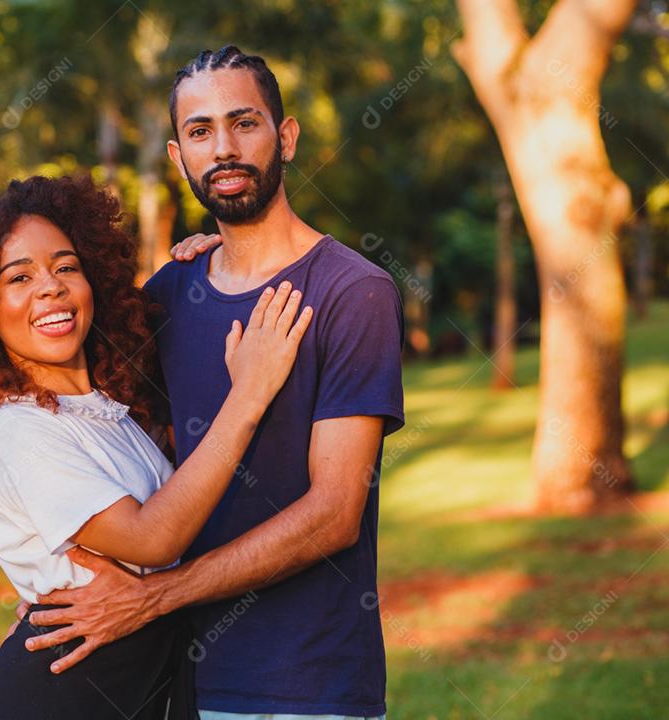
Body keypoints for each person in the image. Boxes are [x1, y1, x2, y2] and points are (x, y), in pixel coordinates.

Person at [22, 46, 405, 720]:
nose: (223, 148)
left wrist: (156, 596)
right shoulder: (167, 295)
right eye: (200, 132)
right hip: (175, 679)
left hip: (307, 686)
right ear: (179, 158)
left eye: (244, 123)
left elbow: (335, 514)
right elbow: (120, 450)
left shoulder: (352, 292)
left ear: (286, 137)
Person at [0, 173, 313, 719]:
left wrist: (215, 257)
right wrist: (249, 394)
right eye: (19, 277)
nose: (51, 288)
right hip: (61, 697)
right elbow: (152, 538)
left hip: (139, 683)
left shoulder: (107, 413)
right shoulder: (15, 428)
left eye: (66, 267)